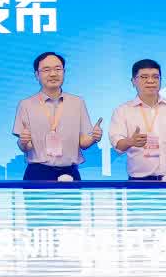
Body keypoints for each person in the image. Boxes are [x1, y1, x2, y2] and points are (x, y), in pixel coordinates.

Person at [109, 58, 166, 181]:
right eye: (144, 77)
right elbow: (118, 145)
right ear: (133, 81)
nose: (151, 81)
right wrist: (130, 141)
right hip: (139, 182)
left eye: (155, 77)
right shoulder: (123, 111)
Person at [13, 51, 101, 181]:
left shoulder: (77, 102)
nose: (53, 74)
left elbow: (83, 143)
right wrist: (23, 141)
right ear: (37, 75)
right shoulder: (26, 105)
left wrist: (94, 137)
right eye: (46, 70)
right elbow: (26, 147)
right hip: (37, 173)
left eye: (58, 69)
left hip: (70, 172)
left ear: (64, 72)